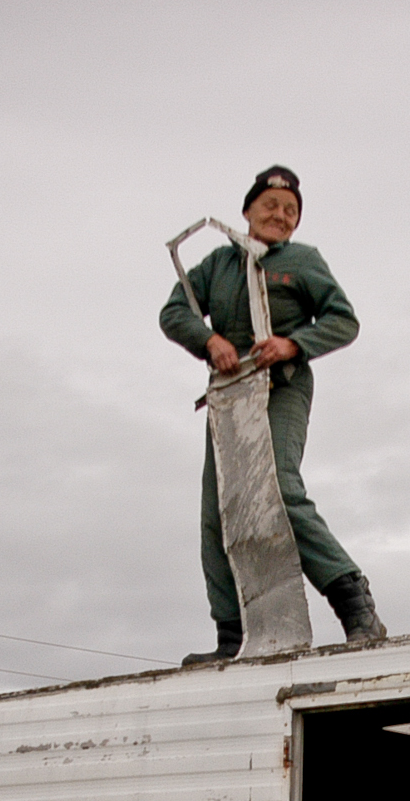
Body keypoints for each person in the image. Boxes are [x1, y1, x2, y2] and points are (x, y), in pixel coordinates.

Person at [159, 165, 383, 663]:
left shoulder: (302, 262)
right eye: (271, 206)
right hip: (230, 393)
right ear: (248, 210)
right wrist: (209, 340)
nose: (281, 216)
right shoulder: (216, 264)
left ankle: (355, 604)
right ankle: (232, 637)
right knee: (221, 508)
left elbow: (343, 320)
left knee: (277, 488)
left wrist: (292, 343)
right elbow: (174, 312)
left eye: (291, 211)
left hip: (282, 387)